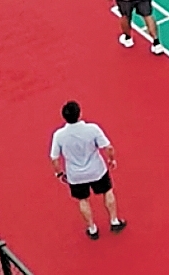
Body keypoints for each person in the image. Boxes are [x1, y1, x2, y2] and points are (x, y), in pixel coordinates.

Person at [50, 100, 124, 239]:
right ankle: (114, 221)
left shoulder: (59, 135)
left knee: (83, 199)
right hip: (97, 170)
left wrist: (59, 173)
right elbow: (108, 147)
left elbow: (54, 158)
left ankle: (92, 229)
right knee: (107, 191)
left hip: (76, 175)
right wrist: (111, 159)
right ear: (80, 113)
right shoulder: (92, 129)